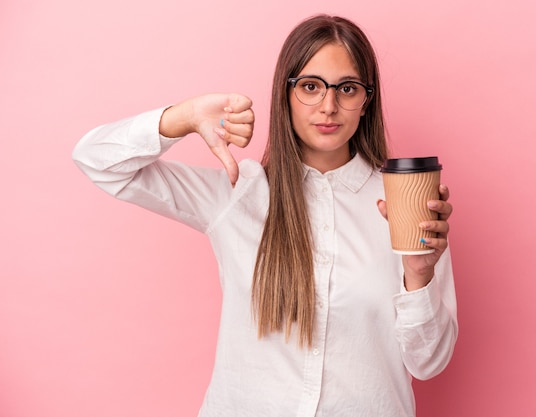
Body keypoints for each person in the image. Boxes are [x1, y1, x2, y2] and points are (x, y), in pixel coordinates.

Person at [72, 14, 458, 417]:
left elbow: (429, 363)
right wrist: (183, 117)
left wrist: (419, 275)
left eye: (346, 88)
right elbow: (95, 160)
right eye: (310, 86)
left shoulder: (406, 203)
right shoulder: (238, 193)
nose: (329, 106)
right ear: (285, 93)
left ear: (366, 100)